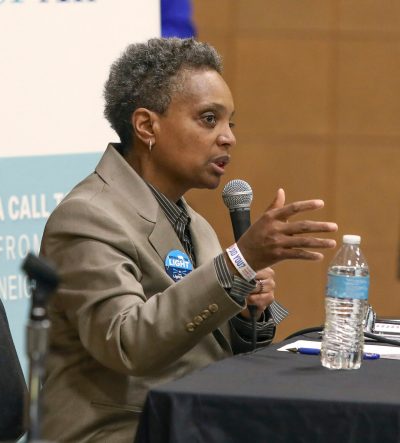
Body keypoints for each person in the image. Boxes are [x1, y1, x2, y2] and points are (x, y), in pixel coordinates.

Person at [39, 38, 338, 442]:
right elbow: (128, 344)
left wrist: (252, 311)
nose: (228, 137)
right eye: (209, 119)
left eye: (231, 123)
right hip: (119, 431)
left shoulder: (194, 222)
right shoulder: (89, 216)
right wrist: (239, 260)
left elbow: (211, 343)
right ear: (147, 126)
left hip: (192, 418)